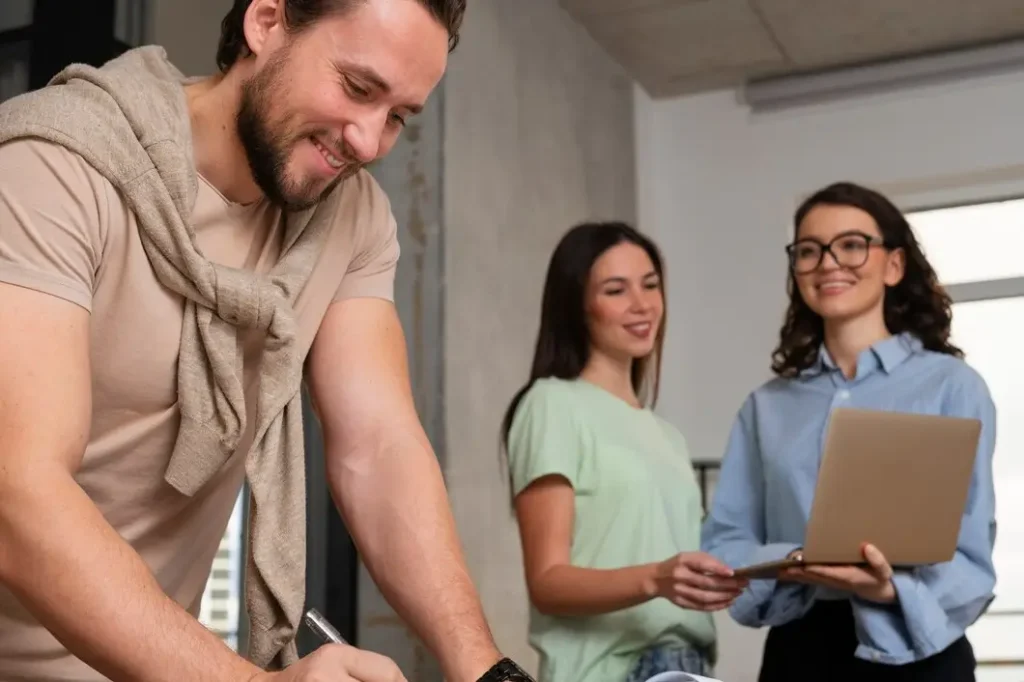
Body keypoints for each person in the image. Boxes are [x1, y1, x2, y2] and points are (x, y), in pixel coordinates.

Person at [0, 1, 534, 681]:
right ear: (266, 21)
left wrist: (487, 670)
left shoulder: (353, 217)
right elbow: (18, 497)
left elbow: (379, 447)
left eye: (398, 116)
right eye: (358, 88)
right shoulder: (53, 166)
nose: (370, 142)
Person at [701, 182, 997, 681]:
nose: (829, 263)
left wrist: (888, 589)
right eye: (809, 251)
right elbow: (726, 540)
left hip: (919, 654)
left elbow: (970, 553)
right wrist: (794, 559)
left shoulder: (952, 388)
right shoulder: (766, 406)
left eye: (853, 245)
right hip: (802, 651)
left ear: (894, 265)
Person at [500, 222, 748, 682]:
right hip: (610, 671)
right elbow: (548, 581)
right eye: (616, 290)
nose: (642, 304)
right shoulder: (551, 403)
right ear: (577, 306)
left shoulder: (669, 437)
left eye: (650, 285)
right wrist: (657, 578)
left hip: (689, 665)